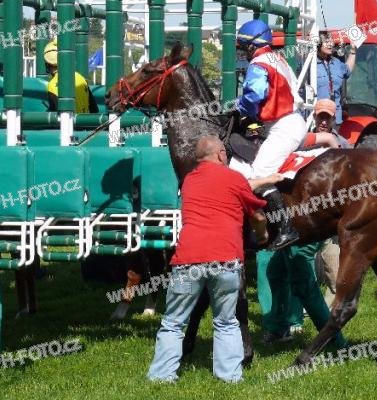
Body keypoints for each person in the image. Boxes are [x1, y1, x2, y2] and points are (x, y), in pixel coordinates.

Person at [147, 135, 281, 383]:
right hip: (225, 259)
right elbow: (259, 217)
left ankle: (161, 376)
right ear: (220, 154)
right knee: (226, 321)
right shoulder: (234, 178)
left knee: (173, 322)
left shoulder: (188, 181)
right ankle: (229, 376)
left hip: (188, 260)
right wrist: (262, 236)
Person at [235, 19, 307, 251]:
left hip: (282, 125)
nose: (243, 52)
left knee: (259, 174)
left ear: (252, 45)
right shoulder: (278, 58)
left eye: (243, 47)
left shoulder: (258, 63)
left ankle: (286, 228)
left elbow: (254, 95)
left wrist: (240, 109)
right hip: (289, 121)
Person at [257, 243, 347, 350]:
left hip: (302, 237)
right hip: (289, 237)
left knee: (304, 286)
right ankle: (279, 330)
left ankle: (335, 341)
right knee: (276, 270)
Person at [44, 40, 99, 114]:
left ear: (48, 65)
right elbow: (94, 109)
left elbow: (57, 113)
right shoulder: (81, 78)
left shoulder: (52, 85)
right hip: (85, 120)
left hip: (67, 120)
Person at [316, 32, 356, 130]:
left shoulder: (337, 63)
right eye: (327, 42)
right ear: (318, 44)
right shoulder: (311, 64)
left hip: (335, 119)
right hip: (318, 118)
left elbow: (347, 70)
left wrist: (353, 51)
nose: (330, 44)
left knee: (334, 139)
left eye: (331, 42)